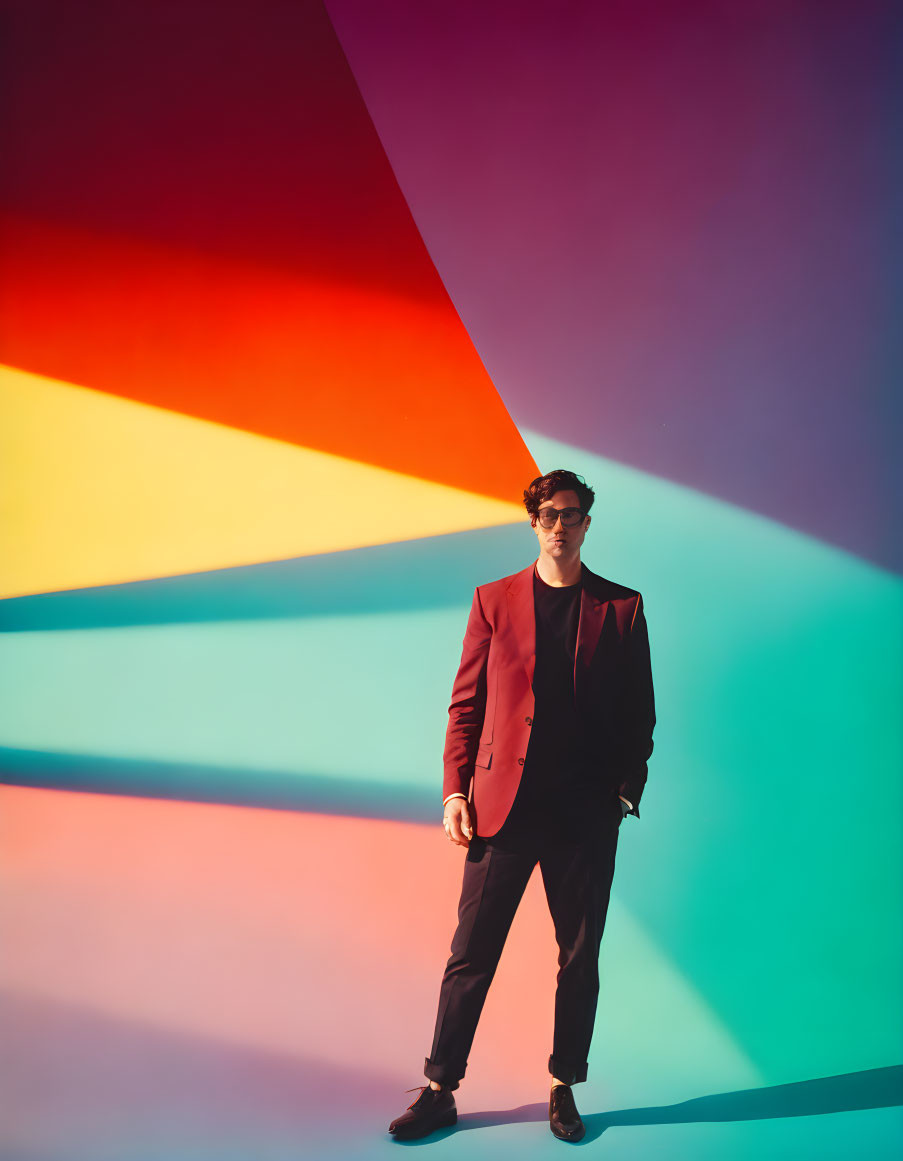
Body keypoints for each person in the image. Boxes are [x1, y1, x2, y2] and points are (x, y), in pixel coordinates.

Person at [388, 468, 655, 1143]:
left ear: (586, 523)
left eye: (571, 514)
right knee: (471, 952)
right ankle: (440, 1086)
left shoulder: (620, 607)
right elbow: (465, 705)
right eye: (548, 514)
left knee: (579, 954)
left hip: (583, 816)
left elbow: (638, 711)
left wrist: (624, 789)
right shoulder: (493, 600)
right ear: (532, 522)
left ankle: (564, 1085)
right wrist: (454, 789)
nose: (560, 525)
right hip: (500, 809)